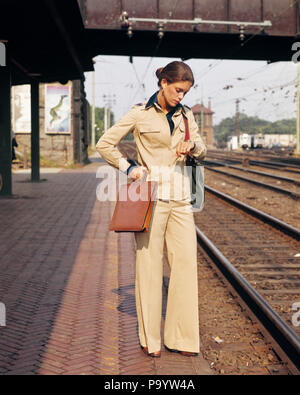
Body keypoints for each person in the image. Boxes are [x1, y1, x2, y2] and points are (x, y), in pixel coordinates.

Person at [96, 61, 207, 357]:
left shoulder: (186, 116)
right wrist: (129, 166)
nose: (181, 96)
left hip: (181, 199)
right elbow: (105, 144)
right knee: (149, 267)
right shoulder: (139, 113)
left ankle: (181, 338)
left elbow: (201, 147)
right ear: (163, 84)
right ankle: (151, 339)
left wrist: (192, 148)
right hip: (151, 197)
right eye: (178, 90)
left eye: (185, 92)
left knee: (184, 265)